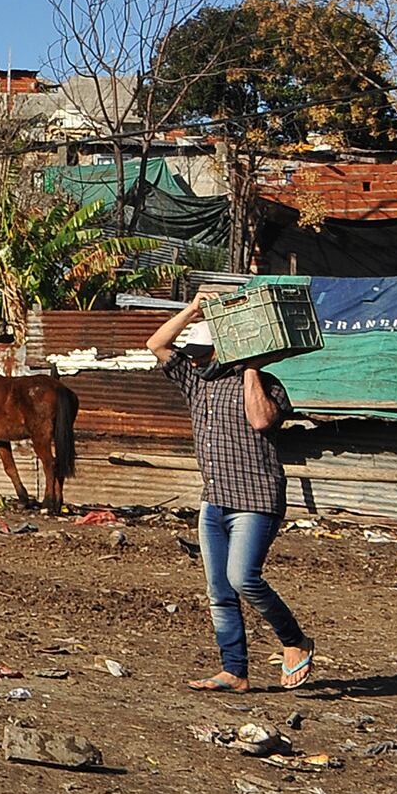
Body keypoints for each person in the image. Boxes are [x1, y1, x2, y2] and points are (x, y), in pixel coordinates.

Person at [145, 293, 316, 692]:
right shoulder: (194, 384)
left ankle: (295, 641)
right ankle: (234, 671)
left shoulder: (267, 386)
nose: (199, 361)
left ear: (226, 351)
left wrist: (252, 367)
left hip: (256, 499)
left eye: (206, 354)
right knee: (219, 590)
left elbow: (260, 421)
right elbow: (156, 344)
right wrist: (191, 310)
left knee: (243, 578)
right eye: (196, 355)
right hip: (214, 500)